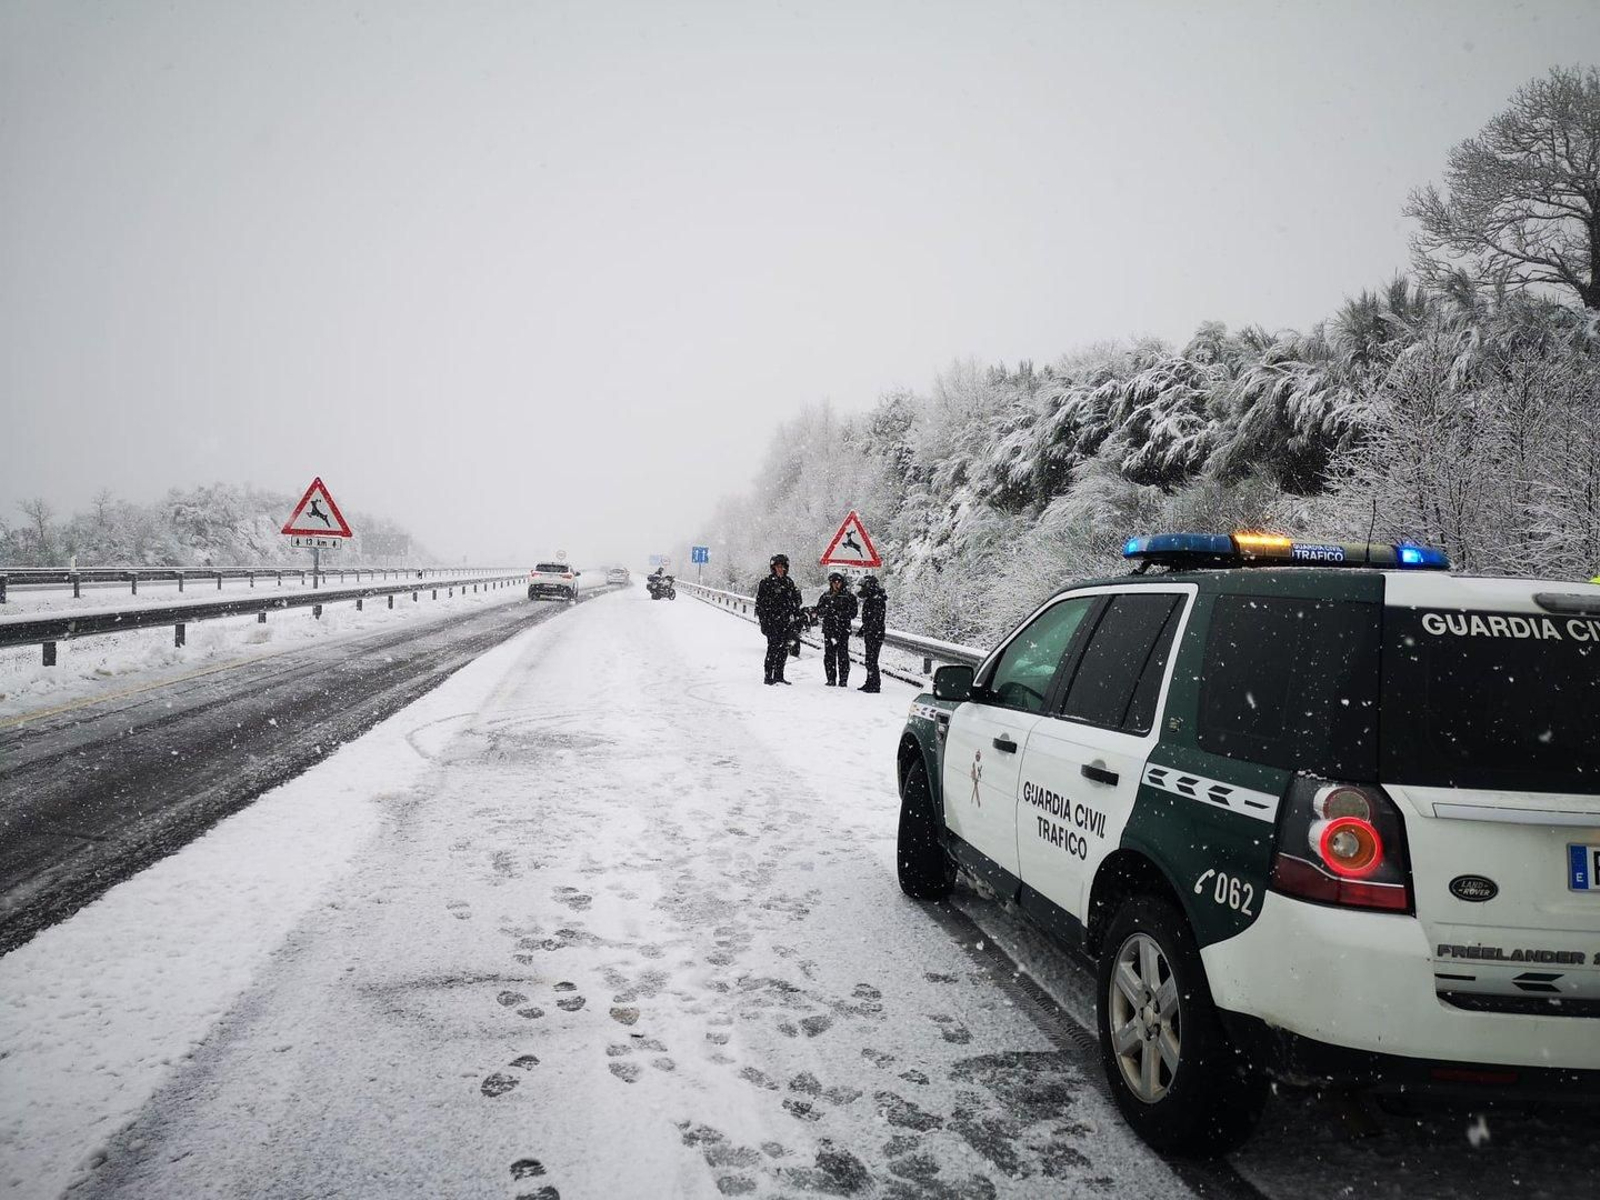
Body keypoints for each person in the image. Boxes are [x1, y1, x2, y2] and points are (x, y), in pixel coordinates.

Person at [755, 553, 802, 685]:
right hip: (772, 622)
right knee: (772, 649)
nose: (780, 569)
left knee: (783, 650)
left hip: (786, 623)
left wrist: (796, 617)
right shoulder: (766, 583)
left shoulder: (789, 583)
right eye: (778, 567)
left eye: (782, 567)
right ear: (773, 568)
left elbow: (795, 603)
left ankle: (779, 675)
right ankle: (768, 676)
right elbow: (760, 604)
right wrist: (764, 622)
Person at [814, 572, 859, 687]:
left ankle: (843, 680)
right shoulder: (826, 596)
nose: (836, 584)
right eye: (833, 582)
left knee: (843, 655)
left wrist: (840, 614)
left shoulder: (848, 596)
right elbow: (819, 610)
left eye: (838, 582)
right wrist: (827, 611)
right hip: (829, 629)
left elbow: (853, 613)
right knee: (829, 656)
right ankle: (831, 679)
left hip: (843, 630)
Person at [855, 575, 887, 692]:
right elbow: (870, 618)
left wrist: (868, 629)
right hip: (872, 632)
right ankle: (870, 682)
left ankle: (874, 684)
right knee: (870, 659)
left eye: (863, 587)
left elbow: (875, 619)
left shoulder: (877, 600)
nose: (862, 590)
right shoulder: (873, 598)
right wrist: (864, 629)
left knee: (872, 660)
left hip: (875, 634)